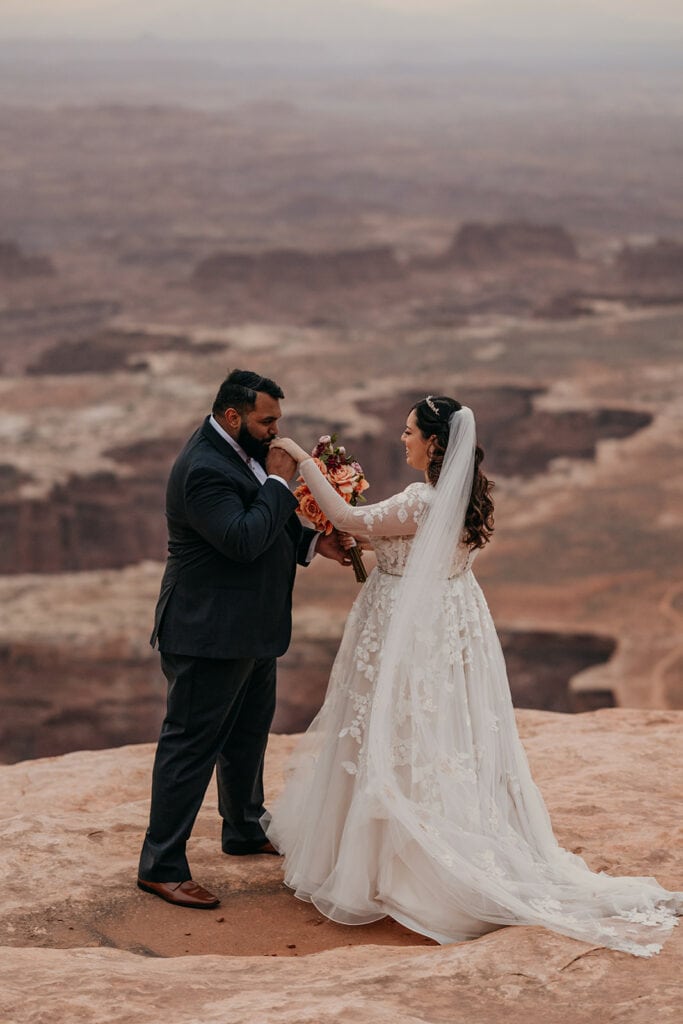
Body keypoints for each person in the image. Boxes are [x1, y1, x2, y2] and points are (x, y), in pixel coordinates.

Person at [267, 396, 681, 956]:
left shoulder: (421, 498)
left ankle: (397, 865)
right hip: (447, 622)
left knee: (397, 729)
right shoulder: (462, 497)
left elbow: (349, 520)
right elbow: (395, 540)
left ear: (435, 443)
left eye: (410, 431)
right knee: (427, 729)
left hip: (405, 628)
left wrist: (301, 461)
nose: (402, 438)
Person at [137, 369, 350, 909]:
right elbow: (243, 538)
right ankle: (161, 866)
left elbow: (264, 519)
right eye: (268, 419)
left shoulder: (239, 447)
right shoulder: (203, 468)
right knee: (190, 746)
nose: (278, 430)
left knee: (247, 735)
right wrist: (280, 480)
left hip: (251, 629)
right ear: (234, 416)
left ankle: (244, 827)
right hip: (207, 632)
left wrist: (311, 545)